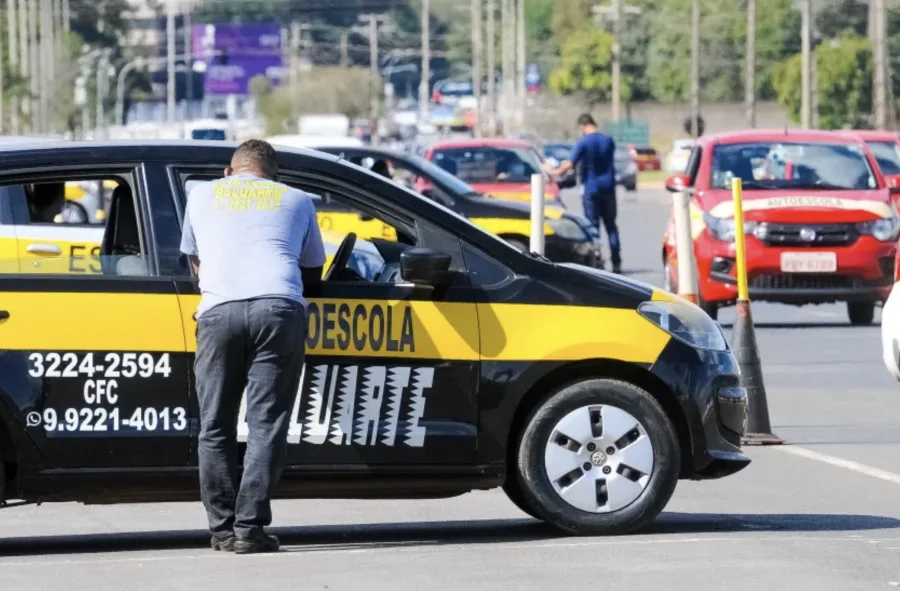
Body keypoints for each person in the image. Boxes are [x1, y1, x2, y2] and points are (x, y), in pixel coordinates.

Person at [180, 139, 326, 555]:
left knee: (215, 426)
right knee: (266, 425)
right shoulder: (296, 199)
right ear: (273, 175)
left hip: (218, 312)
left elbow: (196, 263)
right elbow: (311, 268)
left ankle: (222, 529)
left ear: (230, 172)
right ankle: (249, 529)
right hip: (278, 308)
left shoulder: (201, 194)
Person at [543, 113, 621, 274]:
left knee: (593, 226)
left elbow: (570, 164)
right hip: (608, 187)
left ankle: (597, 260)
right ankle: (616, 261)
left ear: (582, 126)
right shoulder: (608, 140)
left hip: (591, 188)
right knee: (611, 226)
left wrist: (554, 171)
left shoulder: (583, 142)